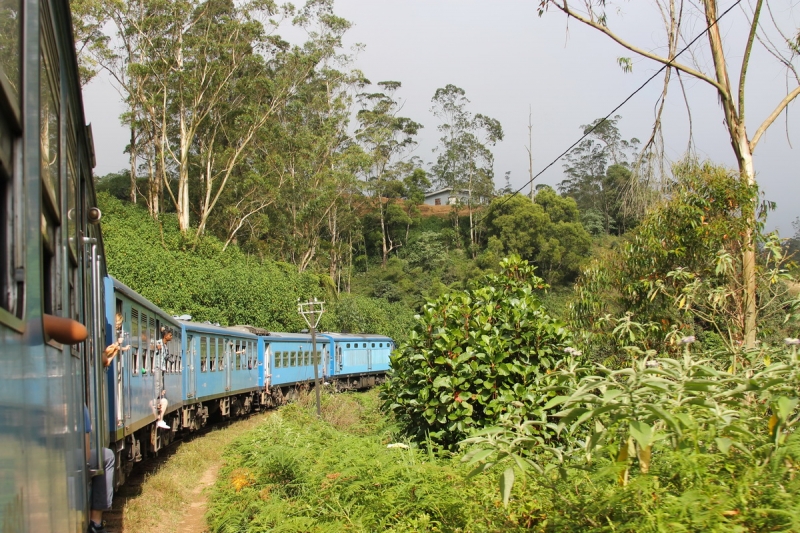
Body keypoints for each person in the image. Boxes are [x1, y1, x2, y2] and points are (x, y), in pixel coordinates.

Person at [85, 405, 115, 533]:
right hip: (68, 458)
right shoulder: (79, 407)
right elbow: (86, 455)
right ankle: (95, 522)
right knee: (107, 456)